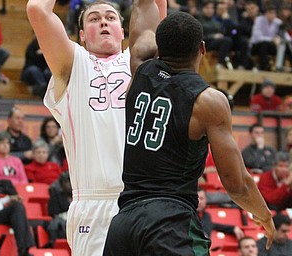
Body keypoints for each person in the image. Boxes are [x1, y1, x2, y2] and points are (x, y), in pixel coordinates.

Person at [103, 1, 275, 255]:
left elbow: (142, 7)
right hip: (170, 224)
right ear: (202, 49)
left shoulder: (140, 66)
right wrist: (264, 215)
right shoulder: (208, 101)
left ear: (159, 48)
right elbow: (236, 183)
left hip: (124, 224)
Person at [26, 0, 165, 255]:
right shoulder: (72, 64)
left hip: (145, 199)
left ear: (123, 31)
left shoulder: (142, 63)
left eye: (111, 17)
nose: (103, 21)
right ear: (81, 36)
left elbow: (154, 6)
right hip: (94, 204)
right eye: (93, 18)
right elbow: (37, 9)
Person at [197, 0, 233, 68]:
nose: (210, 10)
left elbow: (224, 31)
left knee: (230, 40)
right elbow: (198, 36)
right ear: (202, 9)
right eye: (207, 8)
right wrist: (213, 36)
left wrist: (226, 20)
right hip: (205, 43)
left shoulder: (216, 22)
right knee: (226, 41)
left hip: (217, 43)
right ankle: (220, 64)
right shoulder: (198, 20)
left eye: (211, 8)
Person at [250, 2, 282, 71]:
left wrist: (279, 39)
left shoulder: (278, 22)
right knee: (263, 44)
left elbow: (283, 36)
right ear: (266, 13)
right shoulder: (259, 20)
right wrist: (272, 39)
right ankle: (264, 67)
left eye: (274, 13)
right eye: (270, 13)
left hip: (271, 46)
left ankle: (279, 67)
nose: (272, 15)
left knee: (283, 47)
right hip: (256, 46)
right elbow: (258, 38)